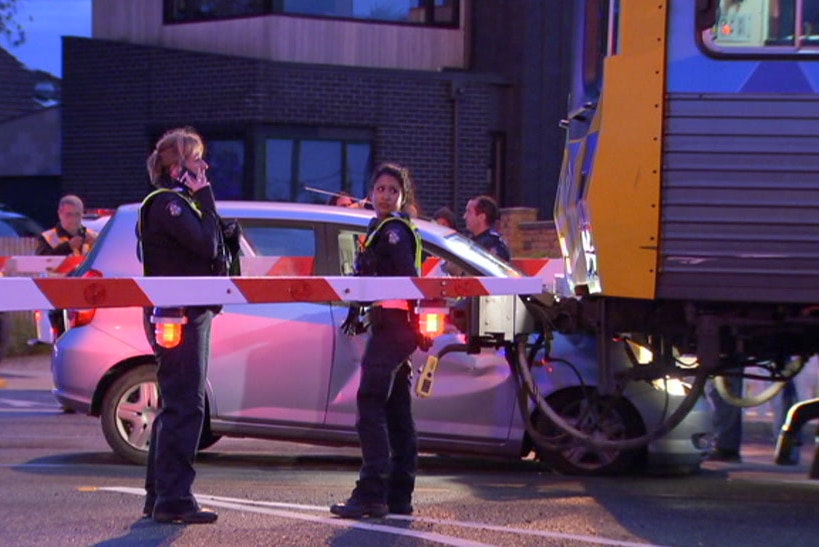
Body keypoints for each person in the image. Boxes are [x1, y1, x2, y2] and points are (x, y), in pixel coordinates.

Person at [138, 127, 237, 525]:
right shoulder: (169, 204)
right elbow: (207, 245)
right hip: (182, 313)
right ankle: (174, 498)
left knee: (175, 403)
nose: (205, 166)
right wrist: (206, 197)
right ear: (178, 167)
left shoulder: (170, 202)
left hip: (180, 311)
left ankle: (159, 494)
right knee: (186, 405)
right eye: (197, 160)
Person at [330, 162, 422, 519]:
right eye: (380, 189)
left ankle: (371, 492)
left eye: (392, 190)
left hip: (395, 327)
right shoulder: (382, 227)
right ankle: (398, 496)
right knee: (397, 411)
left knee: (370, 404)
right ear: (371, 193)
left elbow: (402, 279)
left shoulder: (394, 231)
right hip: (393, 327)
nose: (385, 196)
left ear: (402, 196)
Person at [36, 194, 99, 337]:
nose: (74, 219)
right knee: (62, 339)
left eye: (78, 215)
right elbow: (41, 262)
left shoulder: (93, 236)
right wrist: (67, 247)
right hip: (58, 298)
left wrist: (95, 245)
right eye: (69, 215)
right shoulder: (48, 237)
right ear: (60, 214)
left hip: (87, 298)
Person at [462, 195, 511, 261]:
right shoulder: (469, 240)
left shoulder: (494, 245)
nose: (464, 216)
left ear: (481, 217)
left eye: (469, 212)